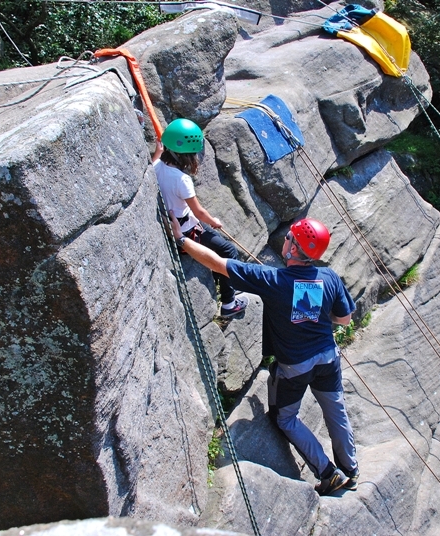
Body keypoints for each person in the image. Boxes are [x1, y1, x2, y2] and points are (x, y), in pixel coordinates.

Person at [170, 214, 359, 496]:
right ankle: (351, 470)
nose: (285, 239)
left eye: (289, 238)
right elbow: (344, 319)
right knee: (336, 410)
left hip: (296, 366)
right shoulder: (328, 276)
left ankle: (328, 473)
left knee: (285, 418)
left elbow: (217, 264)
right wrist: (313, 315)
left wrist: (181, 238)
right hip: (328, 358)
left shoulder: (273, 280)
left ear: (294, 248)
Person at [154, 118, 247, 318]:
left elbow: (157, 157)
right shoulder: (182, 179)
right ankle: (229, 304)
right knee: (228, 250)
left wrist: (158, 151)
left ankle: (222, 282)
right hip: (186, 232)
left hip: (170, 225)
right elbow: (198, 212)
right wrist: (214, 221)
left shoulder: (155, 167)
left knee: (220, 249)